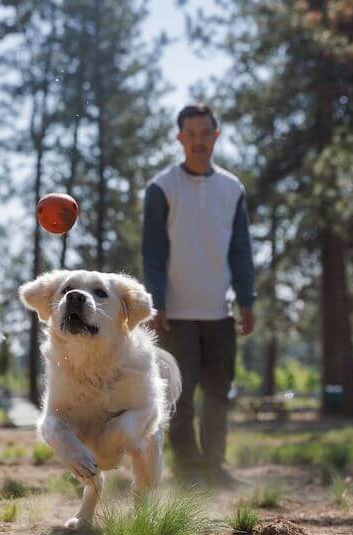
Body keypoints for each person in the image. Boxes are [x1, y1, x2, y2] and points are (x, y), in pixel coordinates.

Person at [141, 103, 256, 487]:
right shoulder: (162, 188)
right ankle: (189, 471)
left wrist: (246, 299)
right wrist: (157, 301)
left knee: (218, 394)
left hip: (218, 312)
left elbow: (240, 249)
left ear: (216, 136)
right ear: (179, 139)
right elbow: (153, 252)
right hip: (175, 314)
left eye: (205, 133)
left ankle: (215, 469)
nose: (198, 141)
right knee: (180, 397)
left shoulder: (231, 188)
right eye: (190, 135)